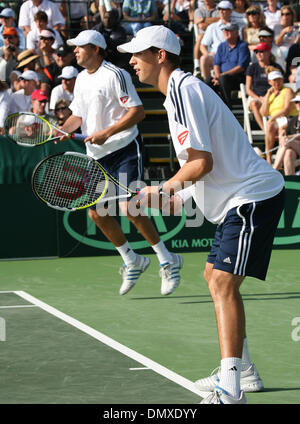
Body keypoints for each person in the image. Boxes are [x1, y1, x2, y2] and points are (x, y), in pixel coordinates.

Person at [118, 24, 285, 404]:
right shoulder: (178, 94)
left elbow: (202, 162)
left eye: (138, 53)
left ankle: (231, 390)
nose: (131, 61)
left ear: (160, 55)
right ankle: (242, 370)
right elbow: (198, 167)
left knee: (223, 282)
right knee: (214, 275)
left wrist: (161, 188)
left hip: (252, 195)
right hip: (236, 199)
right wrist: (167, 199)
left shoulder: (182, 89)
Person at [58, 30, 183, 296]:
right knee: (95, 212)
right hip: (96, 156)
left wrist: (107, 132)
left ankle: (166, 258)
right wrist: (62, 129)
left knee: (129, 206)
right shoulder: (80, 79)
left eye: (79, 47)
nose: (75, 51)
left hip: (125, 148)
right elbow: (77, 116)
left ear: (94, 48)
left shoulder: (116, 75)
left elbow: (138, 112)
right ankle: (132, 260)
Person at [208, 22, 250, 109]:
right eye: (224, 31)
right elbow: (216, 64)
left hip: (237, 77)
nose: (226, 33)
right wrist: (217, 75)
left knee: (223, 79)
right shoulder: (221, 46)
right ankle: (212, 107)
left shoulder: (243, 46)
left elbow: (241, 67)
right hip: (222, 77)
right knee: (208, 81)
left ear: (236, 33)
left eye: (229, 31)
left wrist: (222, 75)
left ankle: (227, 107)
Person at [260, 67, 297, 164]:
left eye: (279, 79)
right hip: (276, 120)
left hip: (288, 118)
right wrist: (267, 95)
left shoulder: (287, 90)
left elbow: (286, 109)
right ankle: (269, 158)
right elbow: (263, 112)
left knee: (277, 126)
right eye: (274, 80)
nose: (277, 82)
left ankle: (279, 160)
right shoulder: (270, 94)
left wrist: (272, 118)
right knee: (270, 126)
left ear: (282, 79)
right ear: (269, 82)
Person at [246, 42, 284, 131]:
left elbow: (281, 83)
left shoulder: (276, 66)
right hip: (257, 97)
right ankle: (265, 131)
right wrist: (260, 99)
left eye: (261, 51)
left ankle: (279, 130)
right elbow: (248, 89)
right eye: (256, 52)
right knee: (254, 104)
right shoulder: (252, 67)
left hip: (274, 95)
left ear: (268, 52)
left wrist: (271, 96)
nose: (258, 54)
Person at [200, 0, 235, 81]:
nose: (221, 11)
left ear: (230, 11)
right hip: (216, 55)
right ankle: (208, 85)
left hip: (233, 55)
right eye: (219, 9)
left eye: (224, 9)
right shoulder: (212, 27)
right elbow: (202, 45)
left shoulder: (236, 26)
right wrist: (208, 54)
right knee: (204, 58)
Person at [273, 94, 300, 175]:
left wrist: (287, 137)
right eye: (297, 102)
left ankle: (274, 170)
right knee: (288, 153)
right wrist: (281, 132)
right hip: (294, 147)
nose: (298, 104)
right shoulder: (292, 120)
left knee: (287, 141)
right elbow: (283, 137)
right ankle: (290, 182)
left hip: (295, 144)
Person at [192, 0, 219, 78]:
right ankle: (197, 66)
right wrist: (214, 21)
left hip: (215, 36)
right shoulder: (198, 10)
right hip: (204, 36)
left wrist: (203, 19)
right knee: (200, 37)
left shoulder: (219, 9)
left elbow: (220, 20)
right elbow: (201, 26)